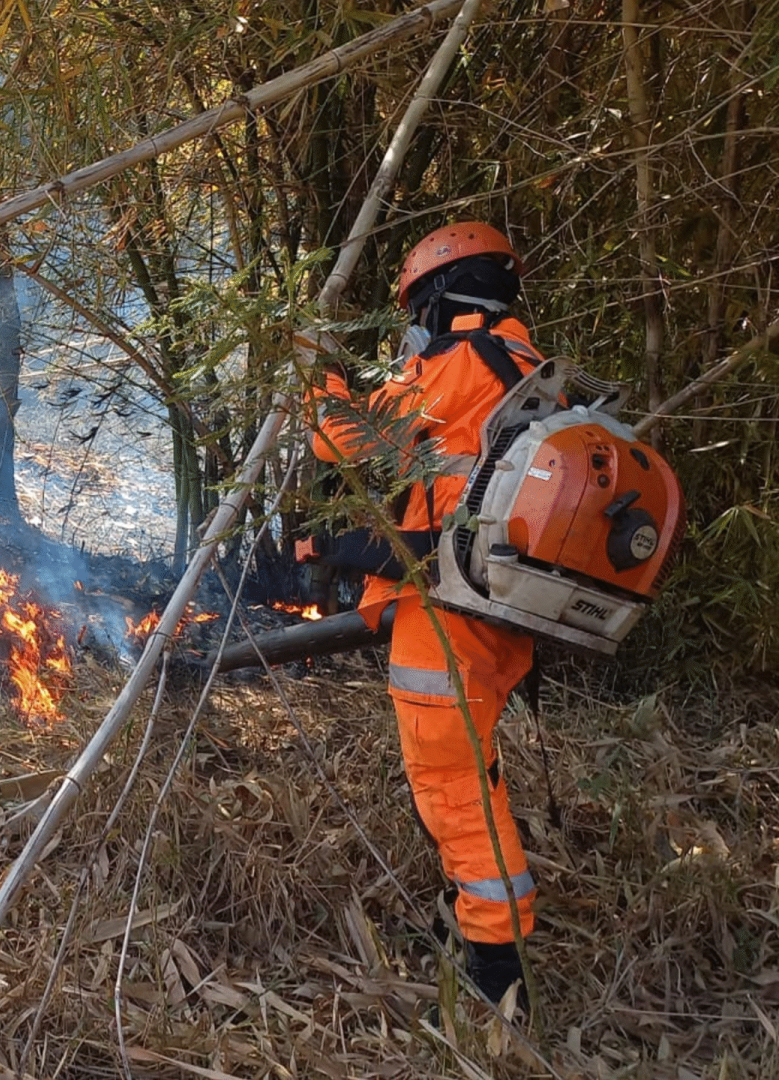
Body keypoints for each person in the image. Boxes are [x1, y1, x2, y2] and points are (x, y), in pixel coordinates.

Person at [304, 222, 543, 1008]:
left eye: (417, 308)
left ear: (444, 299)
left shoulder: (463, 362)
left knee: (449, 779)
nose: (415, 325)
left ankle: (495, 969)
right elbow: (428, 480)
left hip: (452, 610)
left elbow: (349, 441)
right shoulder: (528, 369)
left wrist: (314, 379)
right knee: (467, 767)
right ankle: (472, 917)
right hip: (497, 606)